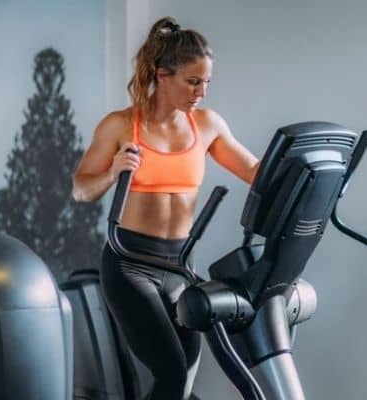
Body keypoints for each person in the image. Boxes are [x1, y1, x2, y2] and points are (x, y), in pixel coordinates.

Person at [72, 16, 260, 400]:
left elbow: (257, 173)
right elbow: (80, 190)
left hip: (180, 265)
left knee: (184, 378)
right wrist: (112, 171)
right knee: (172, 374)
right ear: (163, 74)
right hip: (130, 264)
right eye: (193, 82)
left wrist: (315, 176)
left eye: (206, 82)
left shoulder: (207, 125)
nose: (201, 92)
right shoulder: (121, 125)